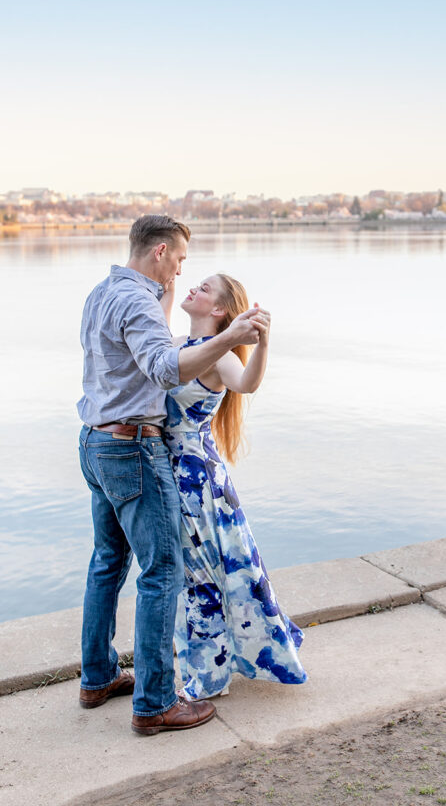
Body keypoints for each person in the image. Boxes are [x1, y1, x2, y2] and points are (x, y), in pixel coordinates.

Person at [77, 215, 267, 736]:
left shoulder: (104, 292)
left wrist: (210, 326)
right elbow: (165, 369)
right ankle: (156, 704)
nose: (183, 271)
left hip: (95, 441)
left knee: (107, 563)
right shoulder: (138, 301)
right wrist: (230, 334)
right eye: (180, 260)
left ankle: (97, 678)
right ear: (160, 251)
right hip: (133, 448)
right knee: (162, 574)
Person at [161, 272, 307, 700]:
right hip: (170, 471)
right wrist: (167, 277)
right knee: (192, 574)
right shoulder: (176, 344)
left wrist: (262, 342)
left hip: (197, 479)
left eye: (203, 289)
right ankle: (203, 664)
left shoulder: (219, 354)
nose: (193, 289)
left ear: (220, 310)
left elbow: (247, 384)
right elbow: (163, 309)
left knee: (202, 574)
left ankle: (208, 678)